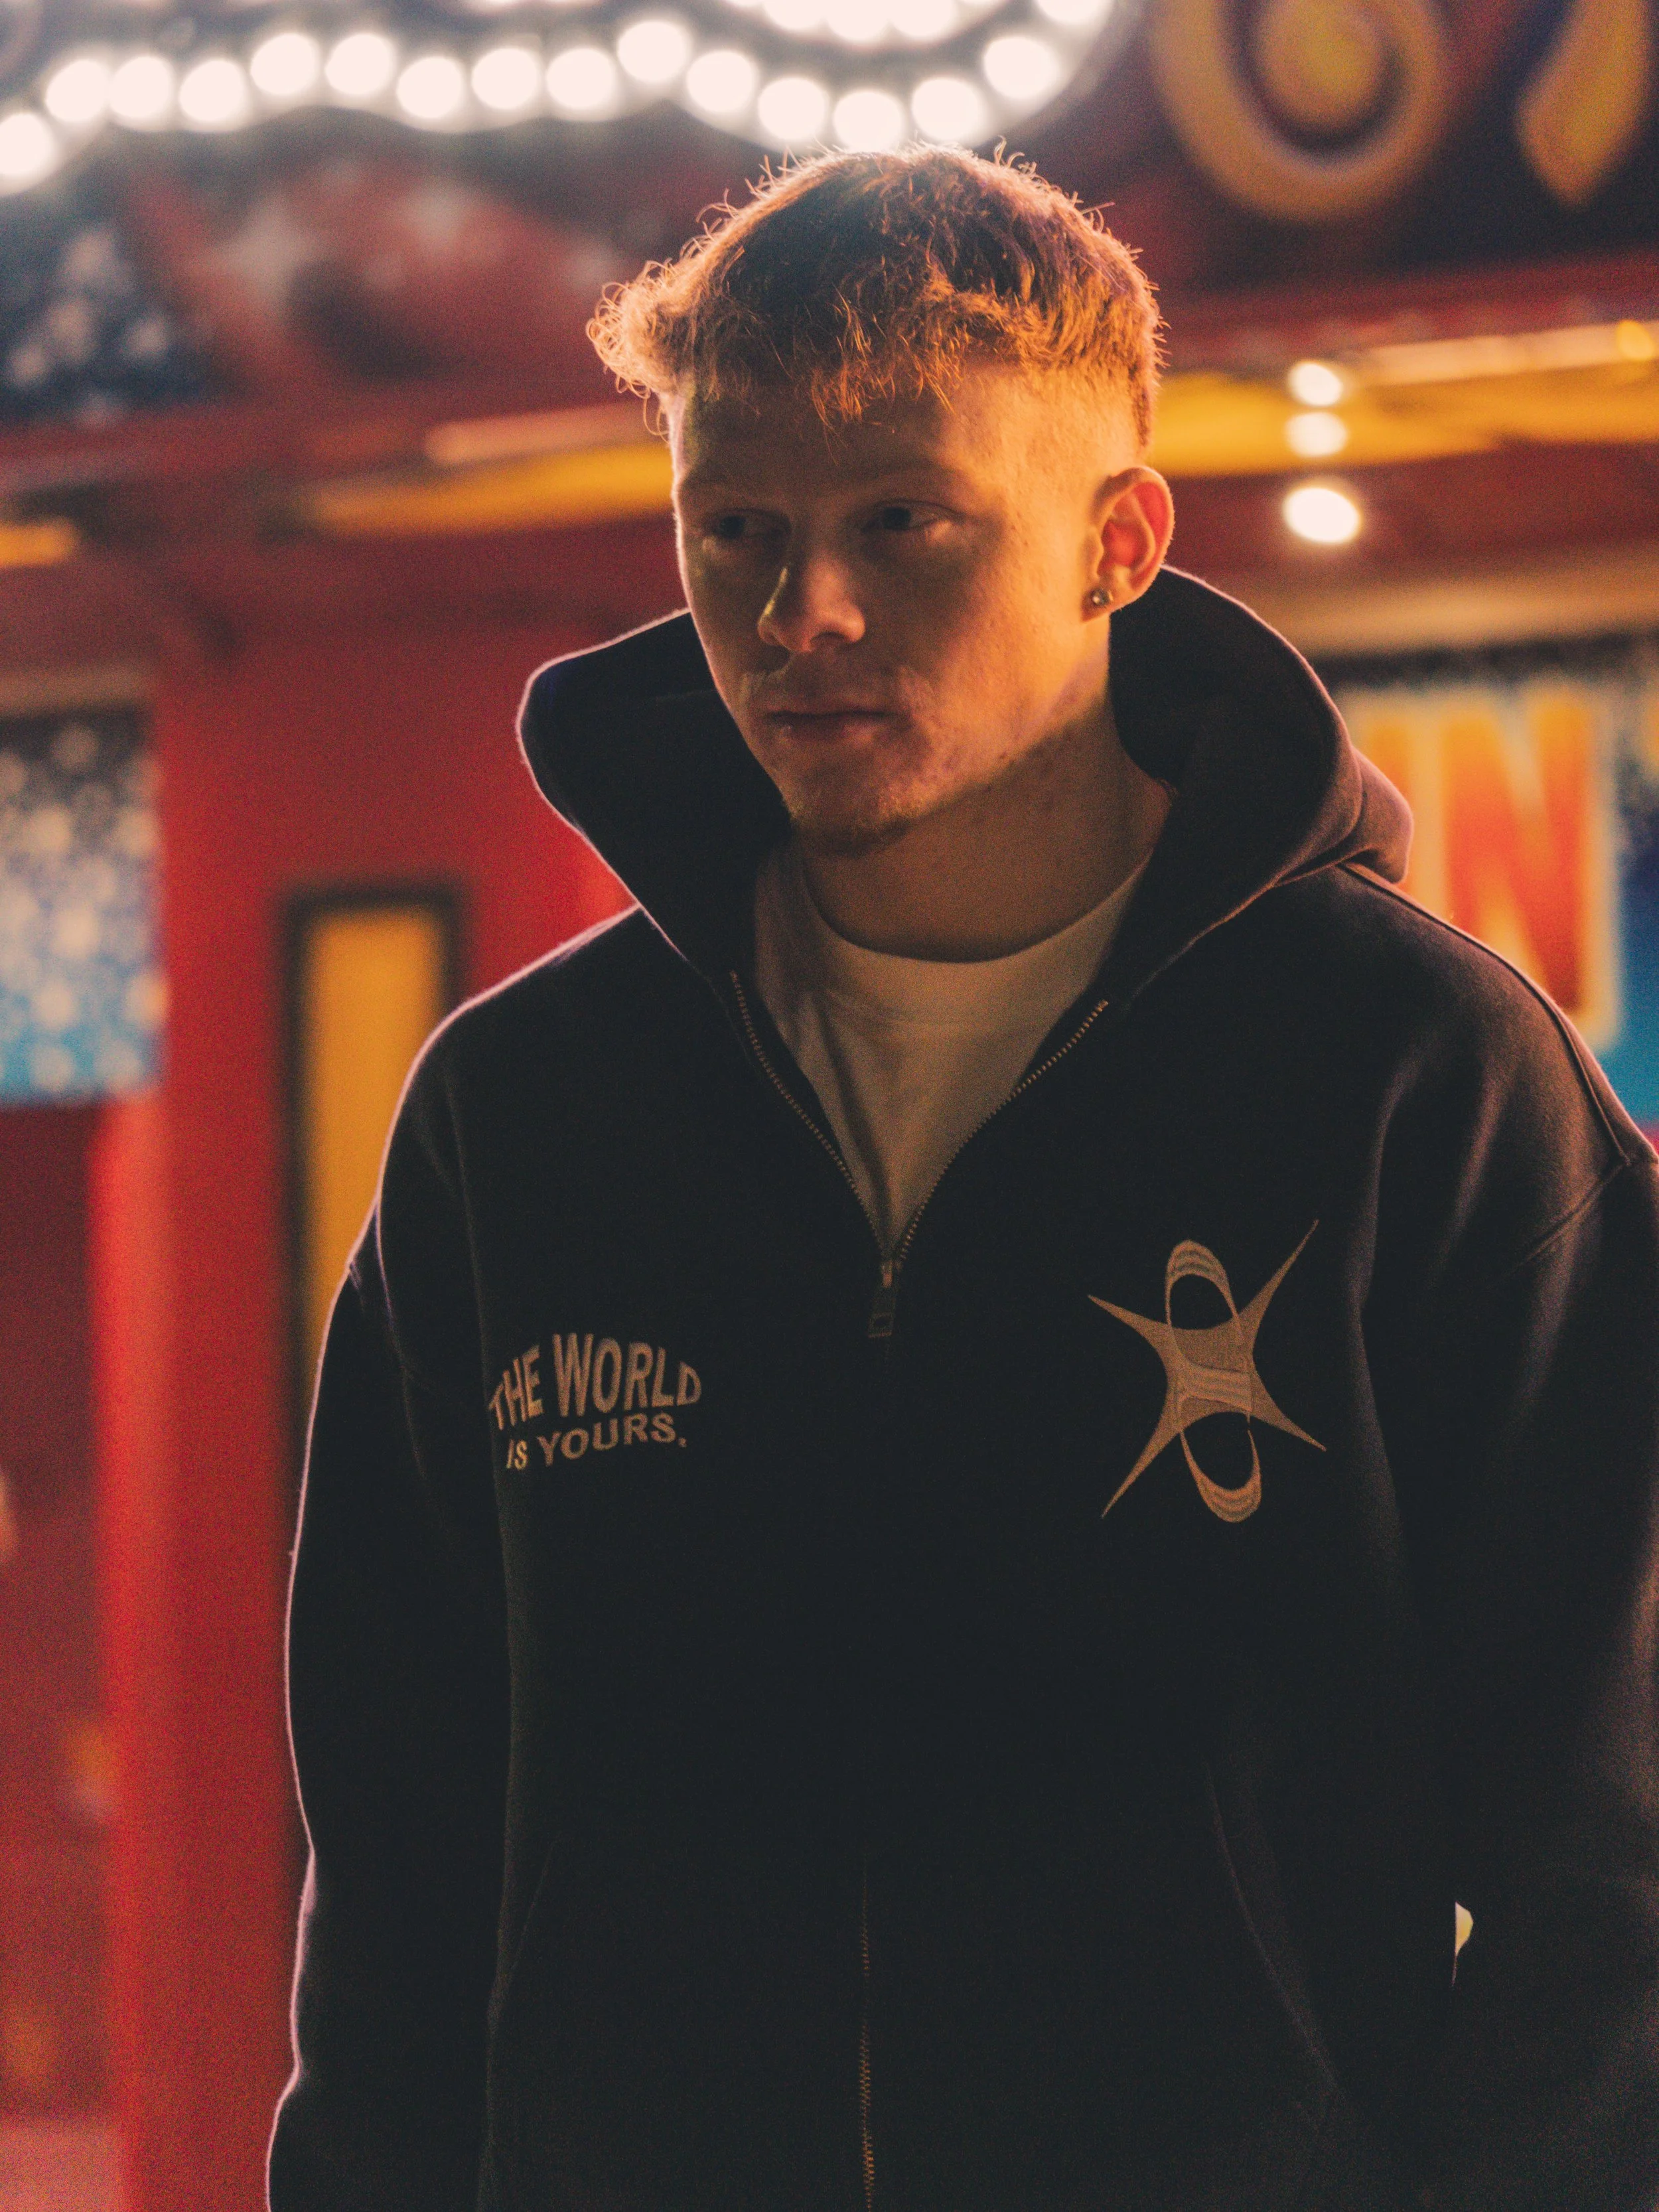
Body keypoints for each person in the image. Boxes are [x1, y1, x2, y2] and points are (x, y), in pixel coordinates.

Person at [269, 150, 1659, 2212]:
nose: (797, 610)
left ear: (1120, 541)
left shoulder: (1413, 1074)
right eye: (732, 528)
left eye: (901, 525)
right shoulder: (522, 1118)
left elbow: (1611, 1850)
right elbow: (396, 1879)